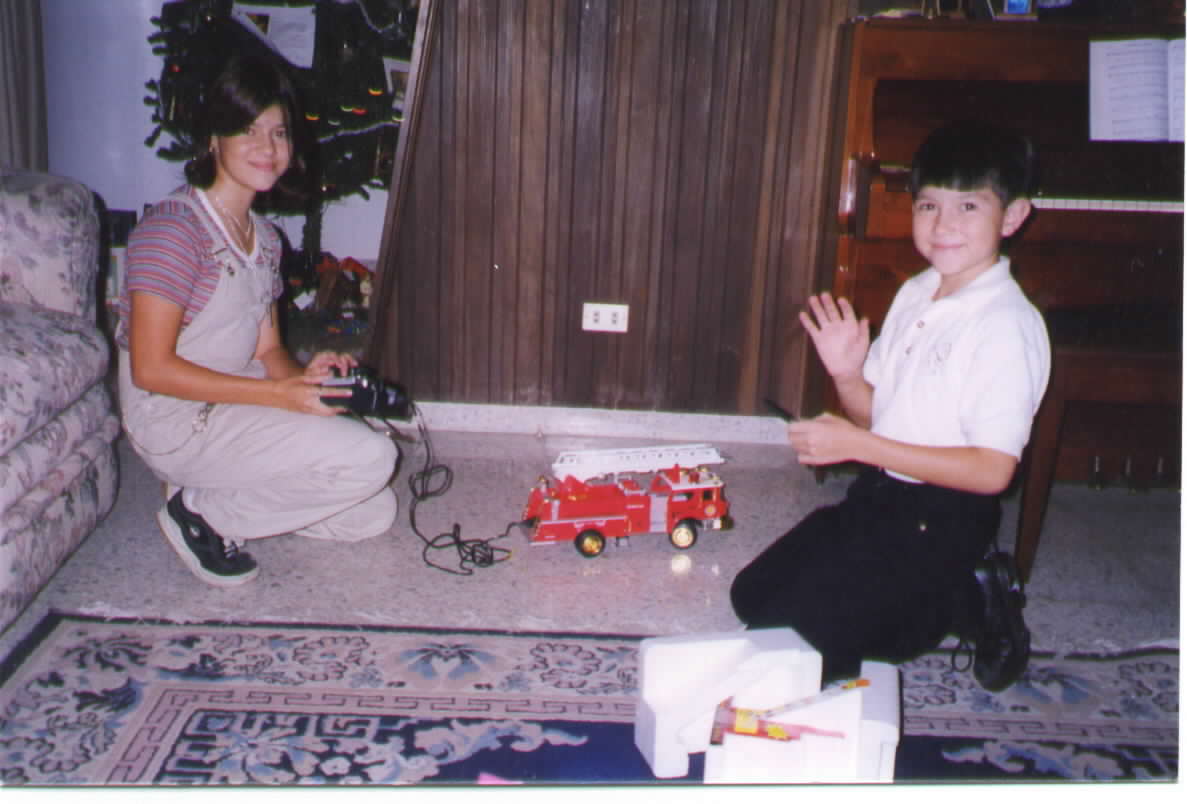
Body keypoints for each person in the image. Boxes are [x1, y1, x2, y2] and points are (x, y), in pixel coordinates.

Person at [730, 120, 1050, 689]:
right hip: (882, 498)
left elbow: (993, 471)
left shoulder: (1005, 326)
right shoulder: (917, 290)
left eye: (968, 207)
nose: (943, 226)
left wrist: (861, 446)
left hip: (946, 519)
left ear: (1013, 216)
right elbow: (876, 417)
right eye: (928, 206)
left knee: (793, 654)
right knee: (751, 596)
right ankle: (943, 591)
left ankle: (958, 599)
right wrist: (847, 373)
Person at [115, 54, 400, 587]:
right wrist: (279, 398)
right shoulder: (173, 232)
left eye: (279, 132)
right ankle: (200, 516)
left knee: (371, 511)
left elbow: (268, 352)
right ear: (213, 138)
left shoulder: (266, 239)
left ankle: (209, 491)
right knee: (371, 458)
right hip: (177, 420)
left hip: (236, 403)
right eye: (248, 129)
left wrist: (304, 381)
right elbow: (150, 370)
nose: (268, 148)